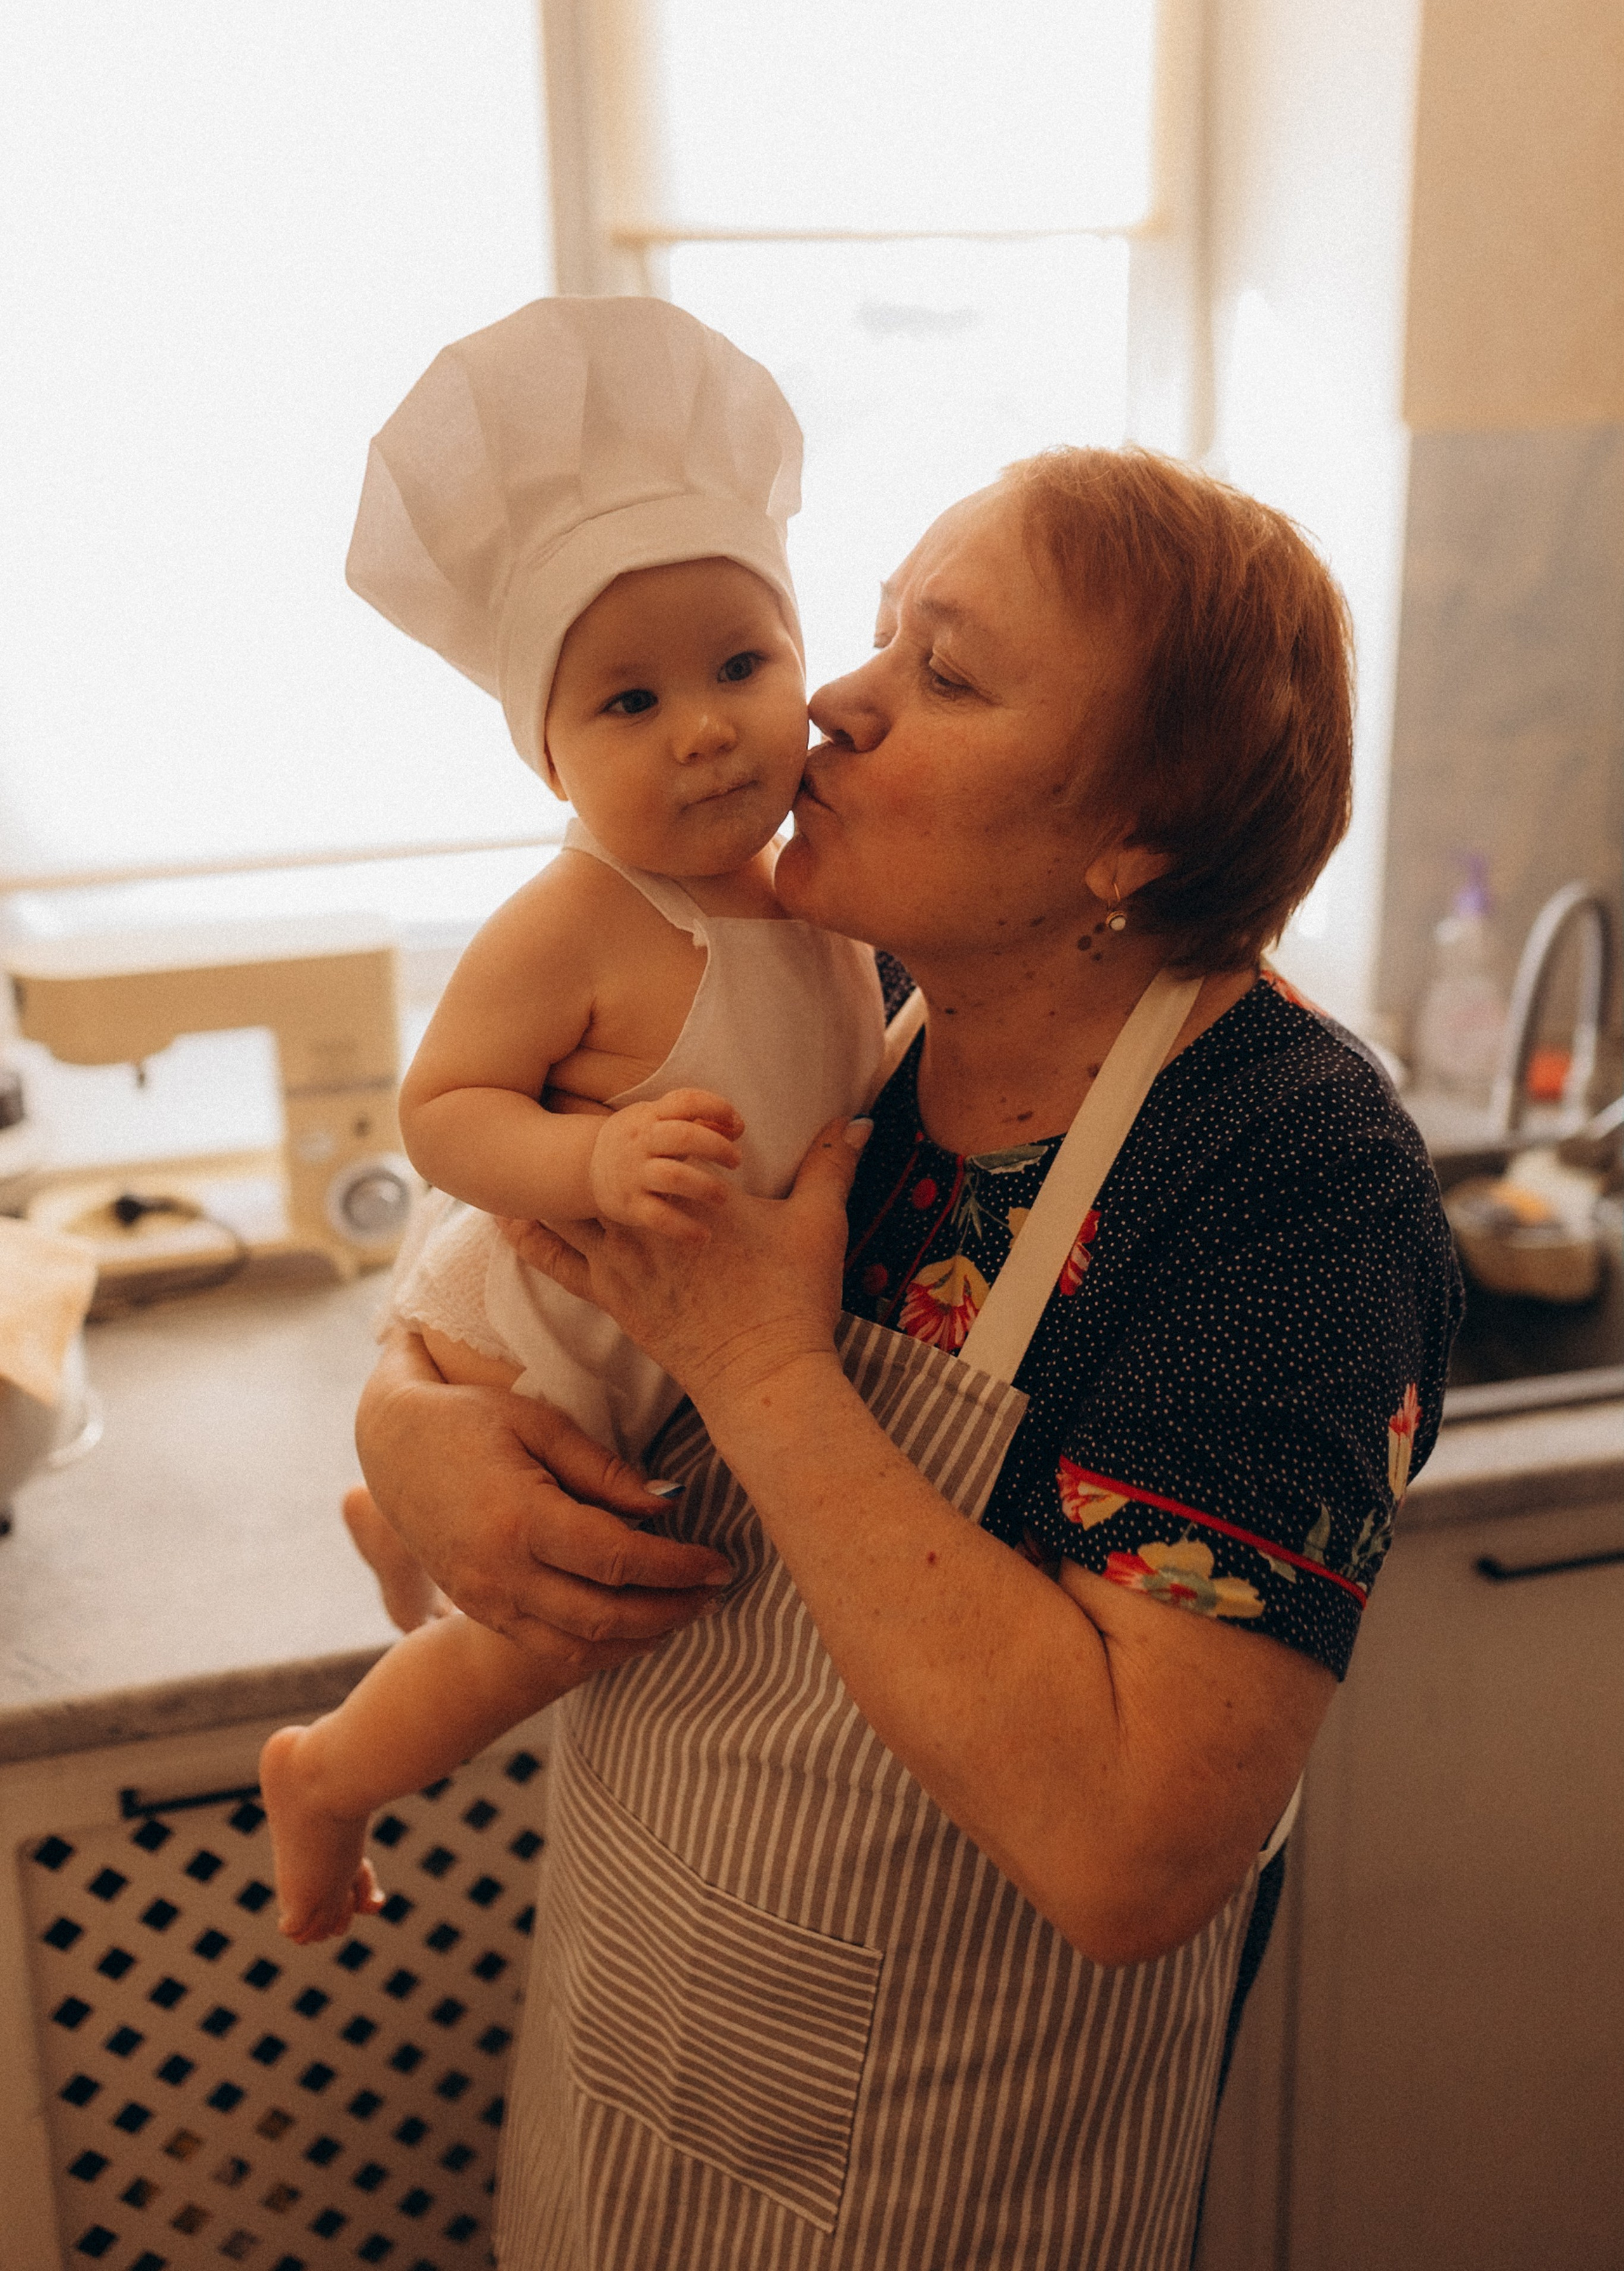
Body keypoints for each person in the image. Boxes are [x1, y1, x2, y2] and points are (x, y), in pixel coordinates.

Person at [351, 442, 1463, 2270]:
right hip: (625, 2083)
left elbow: (1132, 1854)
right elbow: (500, 1244)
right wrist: (411, 1427)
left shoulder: (1289, 1186)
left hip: (947, 2189)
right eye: (871, 638)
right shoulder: (829, 995)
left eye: (943, 673)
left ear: (1137, 837)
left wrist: (766, 1375)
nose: (836, 707)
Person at [259, 298, 884, 1942]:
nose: (701, 725)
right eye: (625, 704)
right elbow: (441, 1113)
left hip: (643, 1358)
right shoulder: (583, 916)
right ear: (545, 754)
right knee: (545, 1639)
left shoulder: (820, 896)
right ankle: (326, 1780)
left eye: (743, 667)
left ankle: (385, 1523)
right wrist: (590, 1155)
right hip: (530, 1343)